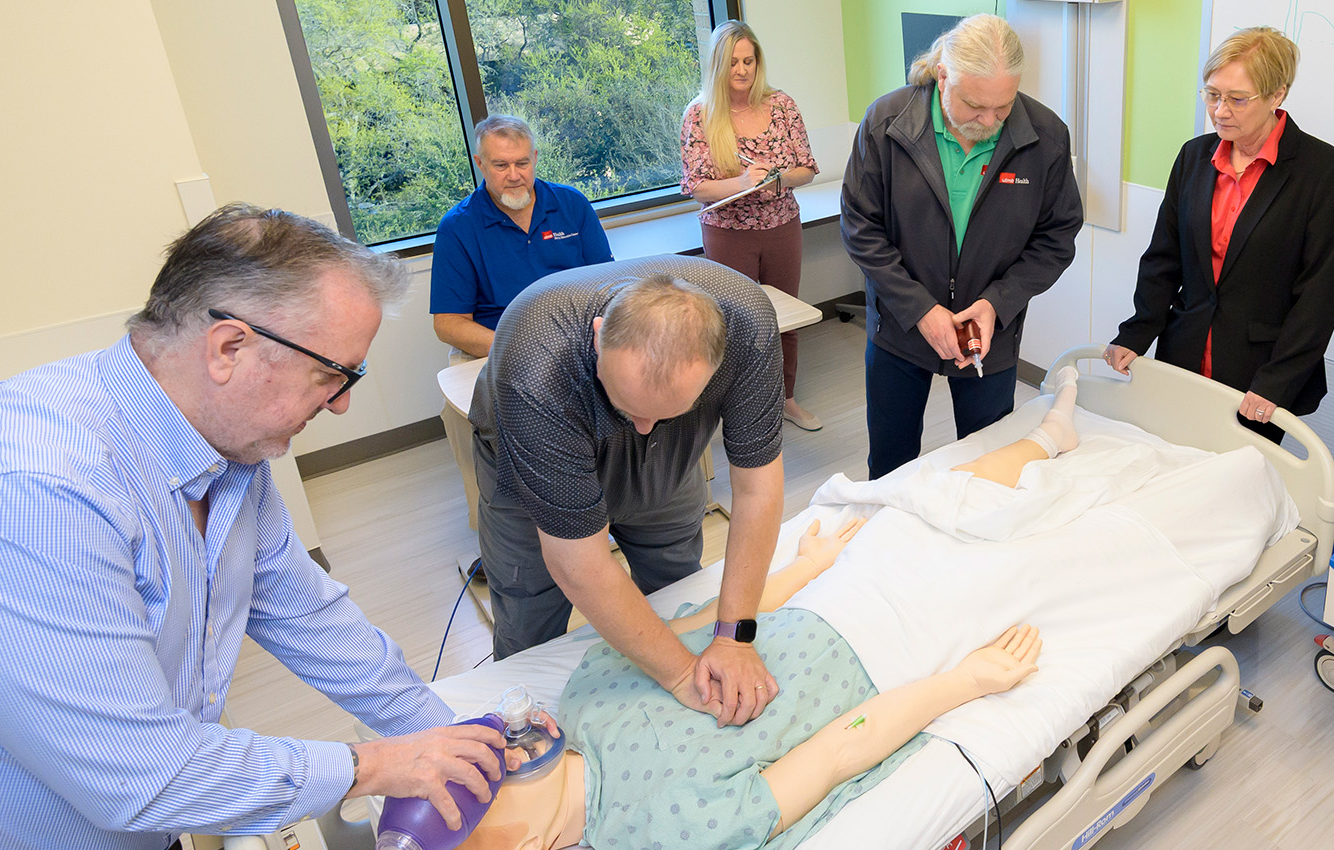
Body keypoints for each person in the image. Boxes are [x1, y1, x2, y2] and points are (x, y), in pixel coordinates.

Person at [0, 205, 530, 849]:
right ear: (229, 347)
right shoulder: (33, 490)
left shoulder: (225, 449)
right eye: (331, 375)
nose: (341, 402)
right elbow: (142, 776)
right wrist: (371, 765)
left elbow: (309, 615)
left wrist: (448, 739)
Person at [452, 400, 1103, 849]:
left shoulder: (588, 693)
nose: (499, 757)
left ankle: (1049, 439)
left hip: (814, 606)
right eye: (490, 790)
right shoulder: (669, 833)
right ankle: (1083, 479)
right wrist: (967, 681)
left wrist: (806, 568)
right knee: (999, 550)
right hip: (881, 656)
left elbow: (714, 623)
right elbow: (838, 751)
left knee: (915, 509)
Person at [470, 254, 786, 729]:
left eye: (664, 412)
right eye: (628, 406)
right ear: (597, 336)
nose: (641, 429)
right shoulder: (536, 356)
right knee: (530, 614)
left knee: (678, 582)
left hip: (671, 461)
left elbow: (759, 490)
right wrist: (681, 675)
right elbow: (578, 565)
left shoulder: (748, 326)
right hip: (533, 466)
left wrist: (733, 638)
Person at [841, 13, 1083, 480]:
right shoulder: (887, 123)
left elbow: (1057, 237)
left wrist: (998, 303)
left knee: (989, 466)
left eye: (1003, 107)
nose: (990, 122)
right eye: (975, 105)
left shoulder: (1045, 137)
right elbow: (860, 227)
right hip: (899, 328)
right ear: (943, 74)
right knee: (891, 465)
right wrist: (919, 309)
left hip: (986, 336)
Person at [1103, 27, 1334, 444]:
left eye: (1237, 99)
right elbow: (1163, 258)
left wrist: (1277, 380)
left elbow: (1319, 295)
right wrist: (1137, 331)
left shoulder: (1325, 173)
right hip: (1183, 353)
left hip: (1259, 372)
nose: (1220, 110)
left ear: (1277, 96)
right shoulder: (1194, 156)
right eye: (1212, 94)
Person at [682, 20, 823, 432]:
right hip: (728, 234)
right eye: (731, 63)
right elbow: (697, 187)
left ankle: (786, 399)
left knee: (786, 318)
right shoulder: (700, 114)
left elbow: (807, 169)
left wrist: (776, 178)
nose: (741, 70)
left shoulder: (781, 104)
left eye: (748, 60)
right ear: (717, 65)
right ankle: (742, 410)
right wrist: (743, 184)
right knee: (737, 324)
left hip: (782, 226)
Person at [431, 114, 615, 361]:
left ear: (535, 158)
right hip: (498, 348)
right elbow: (448, 323)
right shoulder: (457, 228)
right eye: (501, 166)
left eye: (522, 163)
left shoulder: (572, 204)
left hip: (578, 341)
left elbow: (608, 285)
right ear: (480, 163)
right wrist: (518, 349)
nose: (514, 175)